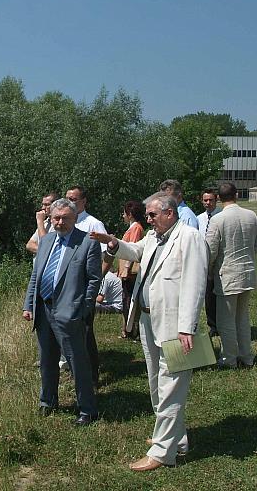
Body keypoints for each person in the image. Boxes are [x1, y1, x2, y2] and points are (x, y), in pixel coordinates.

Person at [91, 193, 207, 471]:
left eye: (153, 214)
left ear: (170, 213)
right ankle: (174, 439)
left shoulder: (190, 237)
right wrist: (113, 242)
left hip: (175, 326)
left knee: (171, 386)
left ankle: (162, 452)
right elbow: (135, 251)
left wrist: (187, 327)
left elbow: (195, 283)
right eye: (147, 215)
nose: (148, 219)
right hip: (147, 319)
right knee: (156, 382)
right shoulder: (155, 236)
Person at [22, 198, 102, 426]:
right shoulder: (46, 240)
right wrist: (28, 305)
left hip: (70, 313)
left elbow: (94, 280)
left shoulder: (87, 242)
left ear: (74, 218)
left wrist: (83, 308)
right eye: (56, 218)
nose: (59, 222)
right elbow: (36, 276)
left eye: (65, 218)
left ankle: (87, 409)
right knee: (47, 360)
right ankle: (48, 401)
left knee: (78, 362)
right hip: (43, 309)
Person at [206, 182, 257, 368]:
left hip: (227, 275)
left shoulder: (217, 220)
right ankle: (246, 356)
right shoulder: (251, 215)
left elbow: (210, 251)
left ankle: (229, 359)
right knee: (242, 318)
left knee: (226, 321)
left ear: (218, 198)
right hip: (247, 272)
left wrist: (209, 270)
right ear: (236, 195)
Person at [65, 185, 108, 383]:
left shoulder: (93, 224)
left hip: (84, 287)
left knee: (85, 331)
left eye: (73, 199)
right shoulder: (64, 221)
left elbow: (107, 254)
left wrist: (96, 278)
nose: (69, 202)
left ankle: (92, 376)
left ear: (84, 201)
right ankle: (74, 371)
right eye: (67, 198)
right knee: (68, 330)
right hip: (66, 288)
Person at [116, 200, 146, 339]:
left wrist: (126, 268)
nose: (123, 216)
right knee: (126, 299)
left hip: (131, 272)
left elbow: (132, 248)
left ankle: (132, 330)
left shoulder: (136, 228)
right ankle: (128, 329)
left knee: (130, 300)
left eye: (124, 213)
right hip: (127, 272)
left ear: (130, 214)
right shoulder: (132, 227)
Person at [196, 188, 221, 336]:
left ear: (216, 200)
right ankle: (213, 325)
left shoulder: (221, 216)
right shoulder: (199, 219)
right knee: (208, 295)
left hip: (218, 260)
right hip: (204, 260)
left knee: (220, 294)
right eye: (205, 200)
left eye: (211, 200)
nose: (208, 203)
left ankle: (222, 323)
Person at [25, 191, 58, 255]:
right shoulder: (45, 223)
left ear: (56, 205)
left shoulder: (59, 224)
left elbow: (45, 243)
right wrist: (44, 251)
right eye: (42, 204)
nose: (43, 208)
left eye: (47, 205)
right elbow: (29, 245)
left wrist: (39, 221)